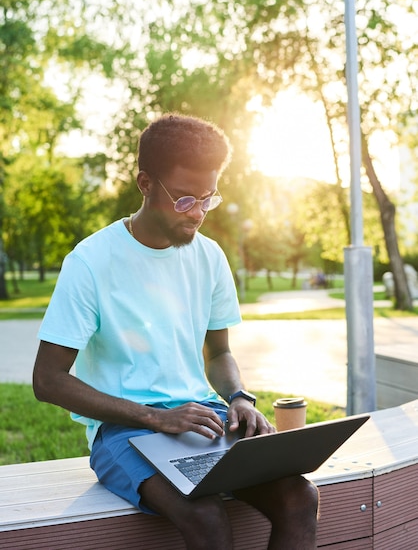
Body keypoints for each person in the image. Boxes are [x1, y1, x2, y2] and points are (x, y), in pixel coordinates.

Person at [33, 113, 318, 550]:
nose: (199, 214)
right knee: (206, 516)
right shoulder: (90, 262)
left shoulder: (210, 257)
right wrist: (155, 417)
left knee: (300, 496)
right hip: (122, 432)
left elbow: (218, 353)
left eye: (208, 198)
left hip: (201, 417)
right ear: (145, 183)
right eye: (185, 200)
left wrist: (239, 397)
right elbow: (47, 381)